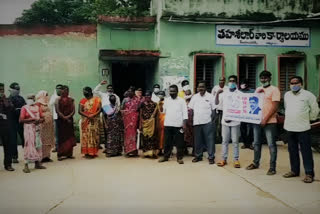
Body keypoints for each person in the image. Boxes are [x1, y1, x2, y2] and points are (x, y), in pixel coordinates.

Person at [282, 76, 319, 183]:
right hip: (289, 127)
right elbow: (286, 107)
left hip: (303, 128)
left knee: (306, 151)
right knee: (292, 151)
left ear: (301, 84)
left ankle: (309, 173)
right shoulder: (287, 95)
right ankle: (294, 170)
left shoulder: (308, 95)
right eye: (292, 83)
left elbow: (315, 110)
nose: (293, 85)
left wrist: (310, 119)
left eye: (296, 83)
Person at [246, 70, 280, 175]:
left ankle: (272, 167)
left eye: (265, 77)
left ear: (270, 78)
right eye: (261, 78)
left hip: (270, 122)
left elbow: (275, 106)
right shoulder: (258, 89)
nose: (263, 79)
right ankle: (255, 163)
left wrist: (265, 119)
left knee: (271, 144)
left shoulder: (274, 90)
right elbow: (253, 102)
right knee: (256, 143)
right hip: (257, 121)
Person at [216, 76, 241, 168]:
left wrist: (232, 117)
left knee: (235, 141)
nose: (231, 82)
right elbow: (217, 104)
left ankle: (236, 160)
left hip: (235, 122)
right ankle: (224, 159)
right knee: (224, 141)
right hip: (225, 121)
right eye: (230, 81)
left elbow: (241, 108)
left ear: (236, 83)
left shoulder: (239, 94)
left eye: (233, 81)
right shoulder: (224, 93)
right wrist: (218, 94)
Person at [158, 85, 188, 164]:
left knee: (179, 143)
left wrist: (184, 124)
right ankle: (166, 157)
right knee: (167, 142)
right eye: (170, 91)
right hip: (168, 124)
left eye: (173, 91)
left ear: (177, 92)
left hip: (178, 125)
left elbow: (185, 113)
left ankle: (179, 158)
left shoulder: (181, 101)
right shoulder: (167, 100)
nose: (172, 93)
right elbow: (163, 111)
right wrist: (160, 104)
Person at [189, 82, 215, 164]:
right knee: (198, 140)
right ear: (197, 88)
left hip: (207, 122)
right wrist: (192, 120)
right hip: (197, 122)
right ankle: (198, 156)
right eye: (199, 87)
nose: (201, 88)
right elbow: (191, 109)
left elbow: (214, 109)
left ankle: (211, 157)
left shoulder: (210, 96)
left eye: (202, 87)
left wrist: (212, 121)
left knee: (209, 140)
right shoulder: (194, 97)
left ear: (205, 88)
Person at [19, 95, 46, 173]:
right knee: (29, 146)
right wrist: (32, 119)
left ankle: (37, 164)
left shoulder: (37, 107)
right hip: (28, 129)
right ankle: (26, 165)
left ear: (34, 99)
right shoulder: (24, 108)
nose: (31, 100)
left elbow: (42, 118)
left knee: (38, 145)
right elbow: (21, 120)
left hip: (37, 129)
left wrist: (39, 121)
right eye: (29, 98)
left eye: (32, 98)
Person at [79, 87, 101, 159]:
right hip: (86, 121)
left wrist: (93, 115)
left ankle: (93, 152)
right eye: (83, 92)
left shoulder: (97, 100)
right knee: (86, 136)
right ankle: (87, 152)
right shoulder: (82, 101)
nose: (84, 93)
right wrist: (88, 116)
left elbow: (99, 109)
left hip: (94, 121)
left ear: (90, 91)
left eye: (85, 91)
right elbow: (80, 111)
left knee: (94, 136)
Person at [55, 86, 76, 161]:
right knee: (62, 138)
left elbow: (73, 110)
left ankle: (69, 154)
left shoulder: (71, 100)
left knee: (70, 137)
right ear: (61, 91)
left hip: (69, 121)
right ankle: (60, 155)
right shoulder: (57, 100)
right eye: (64, 90)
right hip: (61, 121)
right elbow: (57, 111)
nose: (66, 92)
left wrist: (68, 117)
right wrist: (65, 118)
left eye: (67, 90)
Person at [8, 82, 26, 163]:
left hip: (21, 122)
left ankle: (27, 154)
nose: (18, 90)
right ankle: (14, 157)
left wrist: (19, 110)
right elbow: (10, 110)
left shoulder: (21, 98)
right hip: (12, 122)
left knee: (24, 138)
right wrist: (19, 110)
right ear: (11, 89)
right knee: (13, 140)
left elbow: (25, 108)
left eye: (19, 89)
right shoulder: (8, 99)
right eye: (16, 89)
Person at [35, 90, 55, 162]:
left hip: (48, 125)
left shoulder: (47, 103)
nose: (47, 96)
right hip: (42, 125)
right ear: (42, 95)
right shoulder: (38, 103)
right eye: (46, 95)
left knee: (48, 140)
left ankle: (47, 156)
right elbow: (36, 113)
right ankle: (42, 156)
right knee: (42, 140)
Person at [139, 91, 159, 158]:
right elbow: (140, 114)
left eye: (149, 96)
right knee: (145, 138)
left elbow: (156, 116)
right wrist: (140, 124)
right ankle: (146, 153)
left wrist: (156, 125)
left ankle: (152, 153)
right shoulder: (142, 104)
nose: (147, 97)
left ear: (151, 96)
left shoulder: (154, 104)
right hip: (144, 123)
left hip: (152, 124)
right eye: (146, 96)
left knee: (152, 138)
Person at [121, 88, 140, 157]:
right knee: (127, 135)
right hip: (127, 121)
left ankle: (134, 151)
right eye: (129, 91)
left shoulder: (137, 100)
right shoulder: (125, 100)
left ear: (134, 92)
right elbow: (121, 108)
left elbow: (139, 110)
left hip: (134, 120)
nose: (130, 92)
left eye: (131, 91)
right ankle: (127, 151)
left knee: (134, 135)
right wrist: (127, 112)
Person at [0, 83, 15, 171]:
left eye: (2, 89)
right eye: (0, 89)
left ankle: (8, 164)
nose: (1, 91)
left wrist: (4, 99)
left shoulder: (7, 99)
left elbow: (11, 108)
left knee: (7, 145)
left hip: (5, 125)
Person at [239, 79, 254, 150]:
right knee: (242, 129)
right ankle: (245, 143)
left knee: (251, 129)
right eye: (241, 83)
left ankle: (250, 143)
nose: (242, 85)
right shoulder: (239, 92)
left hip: (250, 113)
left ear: (247, 84)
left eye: (244, 83)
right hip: (242, 113)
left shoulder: (253, 91)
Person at [211, 77, 227, 144]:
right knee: (215, 123)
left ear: (225, 81)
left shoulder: (227, 88)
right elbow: (212, 97)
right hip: (216, 108)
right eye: (220, 80)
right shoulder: (215, 87)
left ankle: (221, 137)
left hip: (224, 109)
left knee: (222, 123)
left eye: (223, 80)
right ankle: (215, 137)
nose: (221, 81)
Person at [49, 84, 63, 152]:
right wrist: (56, 97)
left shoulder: (66, 96)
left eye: (60, 88)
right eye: (57, 88)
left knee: (63, 133)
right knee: (56, 133)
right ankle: (56, 147)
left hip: (64, 117)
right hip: (56, 117)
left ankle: (63, 147)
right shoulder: (53, 96)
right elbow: (51, 103)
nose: (59, 89)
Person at [184, 89, 194, 155]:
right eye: (186, 94)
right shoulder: (183, 103)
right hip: (185, 123)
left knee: (193, 137)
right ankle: (185, 150)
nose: (187, 96)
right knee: (184, 137)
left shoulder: (194, 103)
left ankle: (194, 151)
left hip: (193, 123)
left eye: (188, 94)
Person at [157, 90, 166, 155]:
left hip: (165, 120)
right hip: (158, 121)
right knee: (159, 136)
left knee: (164, 137)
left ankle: (165, 150)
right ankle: (159, 150)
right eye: (159, 95)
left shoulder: (166, 102)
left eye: (162, 94)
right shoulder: (157, 103)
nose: (160, 96)